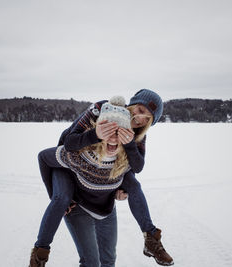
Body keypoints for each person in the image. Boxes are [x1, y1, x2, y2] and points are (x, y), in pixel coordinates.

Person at [30, 89, 174, 266]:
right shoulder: (102, 110)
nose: (139, 118)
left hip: (103, 199)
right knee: (91, 262)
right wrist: (96, 134)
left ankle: (151, 239)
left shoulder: (136, 134)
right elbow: (68, 142)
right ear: (132, 103)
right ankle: (39, 255)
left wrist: (128, 151)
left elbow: (137, 167)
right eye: (140, 109)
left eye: (147, 118)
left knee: (109, 258)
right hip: (73, 174)